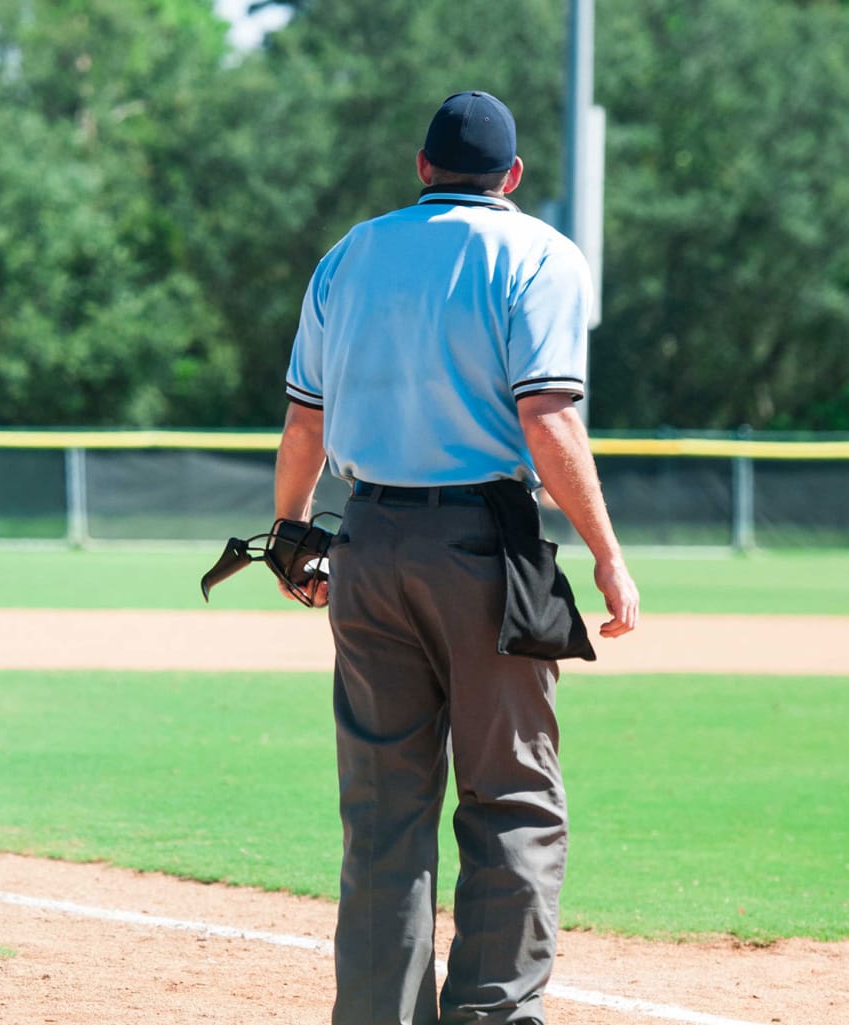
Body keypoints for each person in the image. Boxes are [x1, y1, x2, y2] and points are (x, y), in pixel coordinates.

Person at [273, 91, 640, 1025]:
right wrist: (607, 553)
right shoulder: (540, 255)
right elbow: (547, 417)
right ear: (511, 175)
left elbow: (305, 419)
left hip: (365, 540)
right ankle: (493, 1014)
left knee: (382, 812)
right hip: (483, 546)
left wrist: (290, 531)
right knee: (511, 797)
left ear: (423, 167)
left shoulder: (350, 255)